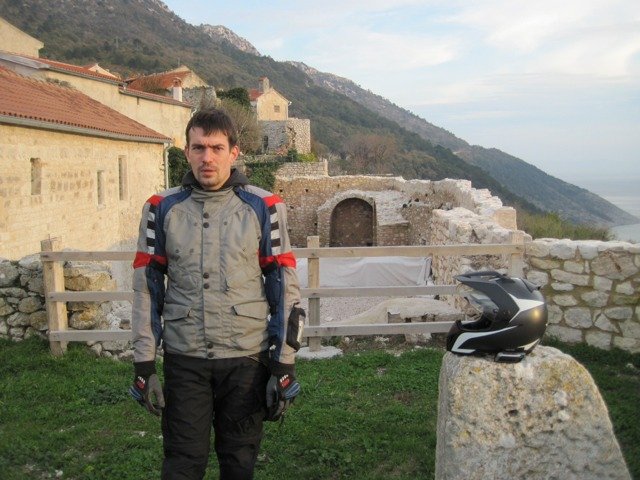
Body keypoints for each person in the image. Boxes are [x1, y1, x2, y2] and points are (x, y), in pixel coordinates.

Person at [129, 108, 305, 480]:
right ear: (187, 151)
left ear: (233, 152)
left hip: (246, 359)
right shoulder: (161, 208)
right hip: (185, 358)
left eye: (216, 148)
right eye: (198, 148)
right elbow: (146, 289)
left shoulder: (264, 207)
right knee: (182, 463)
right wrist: (144, 366)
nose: (207, 158)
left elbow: (285, 287)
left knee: (239, 463)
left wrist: (283, 365)